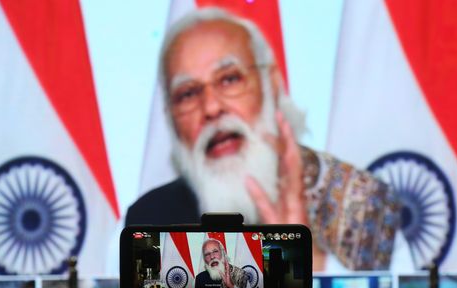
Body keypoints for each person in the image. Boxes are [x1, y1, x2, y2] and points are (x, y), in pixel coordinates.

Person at [125, 7, 400, 271]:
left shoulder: (366, 205)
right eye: (187, 94)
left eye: (229, 79)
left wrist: (308, 261)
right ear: (170, 116)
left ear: (271, 83)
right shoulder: (144, 224)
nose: (211, 108)